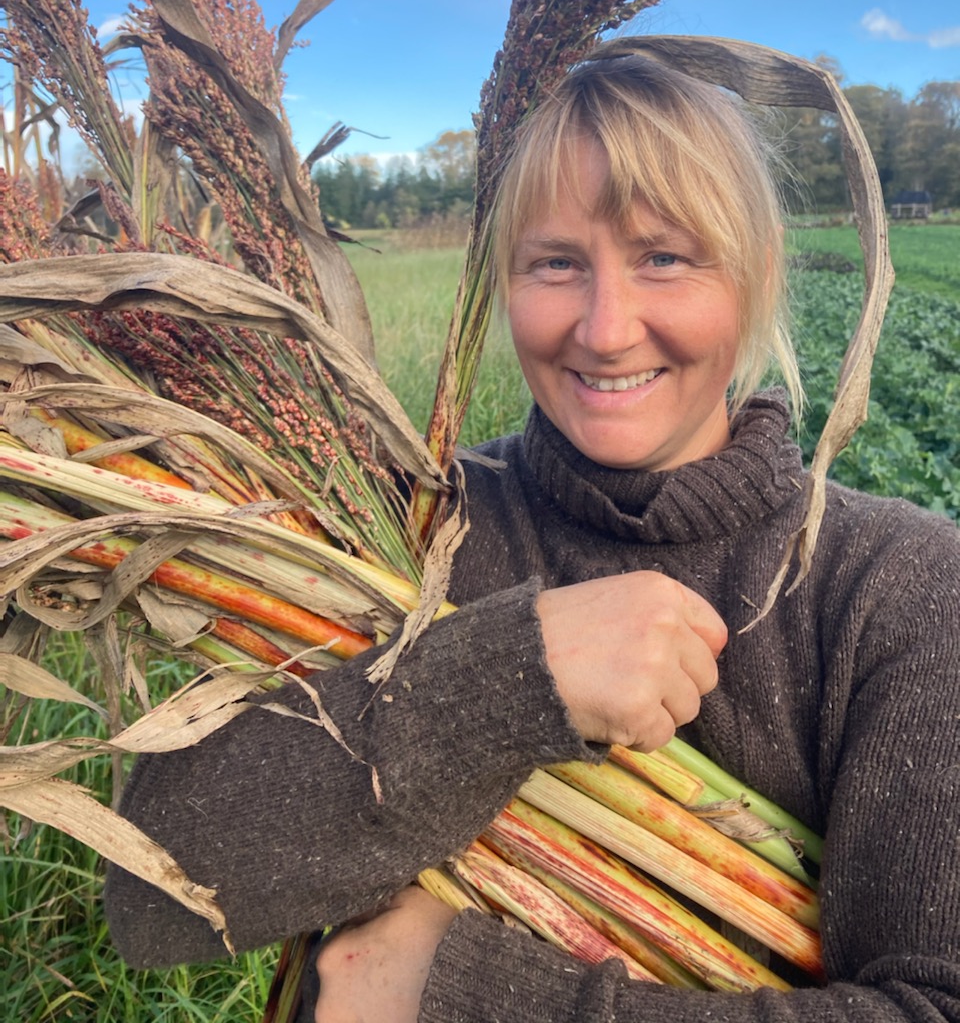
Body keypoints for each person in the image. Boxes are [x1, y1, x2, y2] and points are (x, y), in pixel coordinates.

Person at [104, 53, 960, 1023]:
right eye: (556, 261)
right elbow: (150, 898)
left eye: (665, 256)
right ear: (504, 281)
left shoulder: (902, 591)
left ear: (756, 274)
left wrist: (457, 992)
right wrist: (512, 673)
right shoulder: (401, 529)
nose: (604, 327)